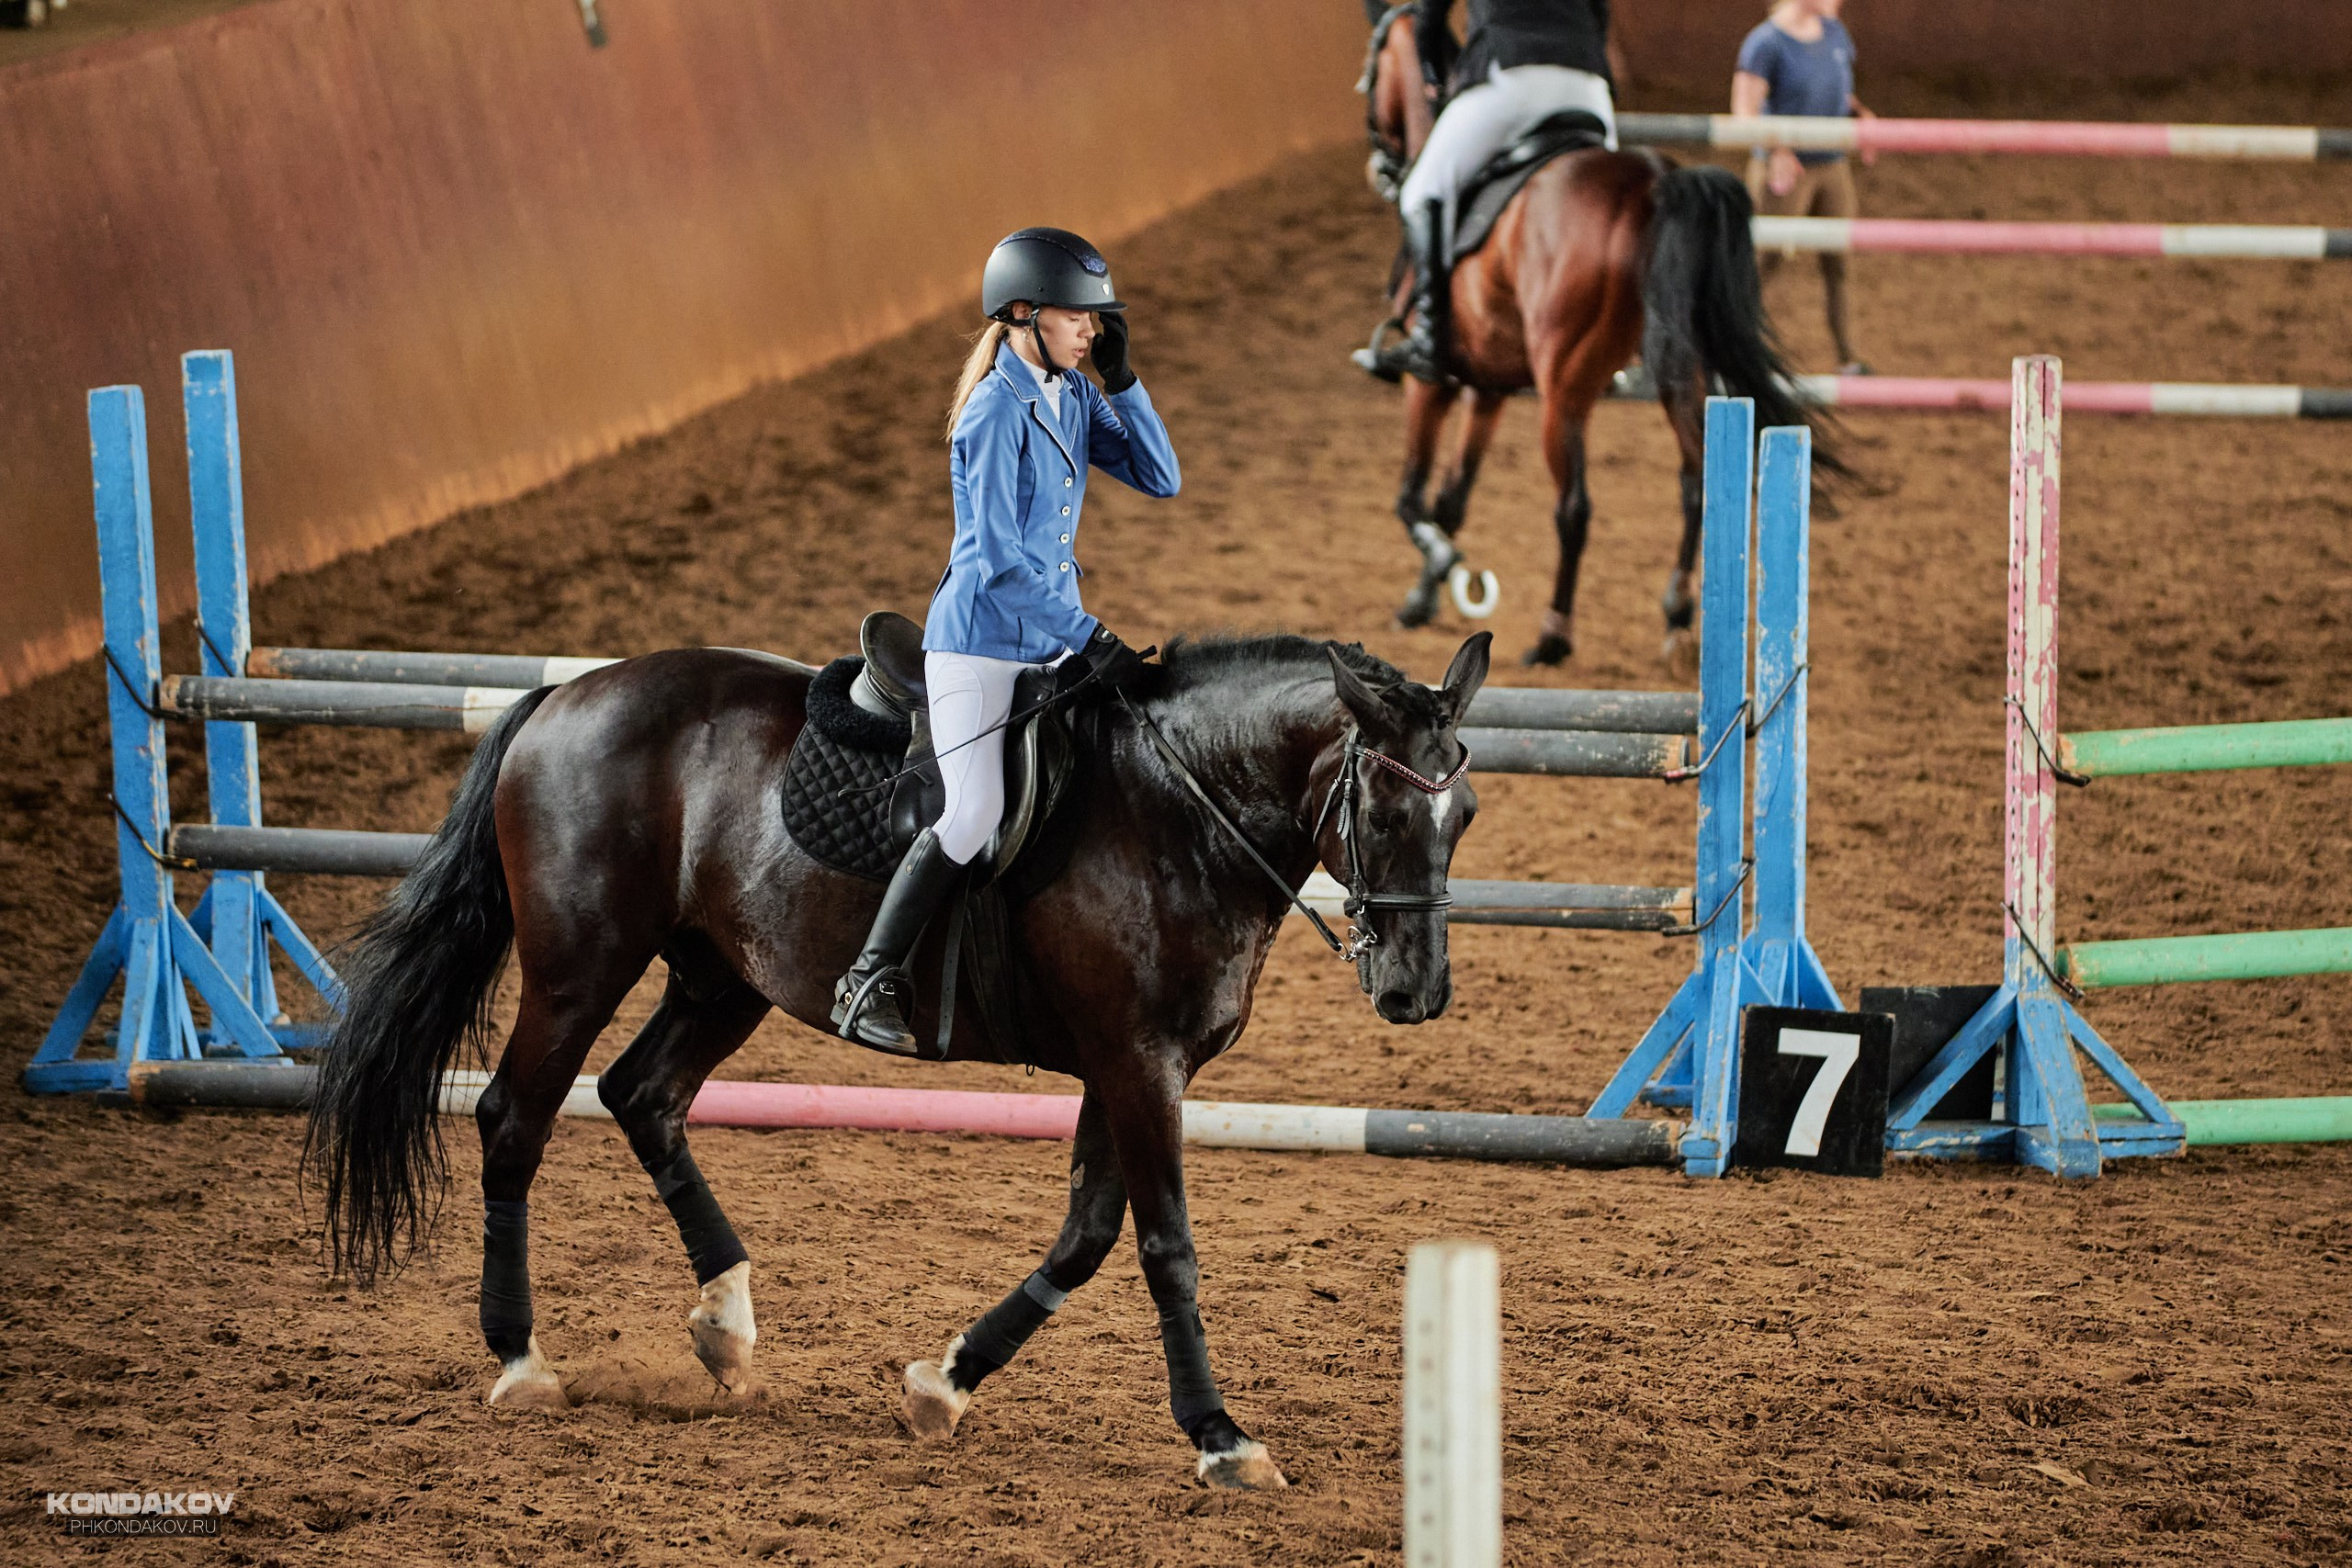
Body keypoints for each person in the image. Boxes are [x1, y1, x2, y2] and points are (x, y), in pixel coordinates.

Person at [831, 227, 1182, 1054]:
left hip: (1051, 642)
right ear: (1024, 313)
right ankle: (867, 978)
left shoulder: (1071, 394)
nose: (1091, 330)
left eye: (1099, 319)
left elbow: (1162, 478)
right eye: (1078, 317)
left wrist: (1124, 382)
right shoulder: (994, 409)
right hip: (979, 645)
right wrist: (1090, 637)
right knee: (976, 807)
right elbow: (996, 562)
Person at [1365, 0, 1623, 384]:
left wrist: (1435, 79)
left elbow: (1430, 18)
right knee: (1613, 215)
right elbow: (1600, 16)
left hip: (1510, 76)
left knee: (1421, 189)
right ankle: (1623, 347)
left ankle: (1428, 340)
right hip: (1588, 86)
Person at [1733, 0, 1876, 374]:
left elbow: (1836, 90)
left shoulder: (1833, 32)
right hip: (1787, 169)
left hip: (1831, 164)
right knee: (1765, 262)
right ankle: (1735, 350)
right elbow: (1744, 112)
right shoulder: (1765, 44)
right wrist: (1775, 147)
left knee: (1839, 262)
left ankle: (1849, 358)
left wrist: (1859, 115)